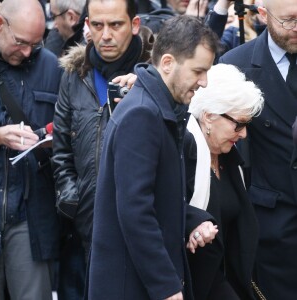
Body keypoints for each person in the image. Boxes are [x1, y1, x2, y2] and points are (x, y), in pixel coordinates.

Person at [87, 15, 220, 300]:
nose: (205, 81)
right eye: (198, 71)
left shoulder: (158, 108)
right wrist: (166, 287)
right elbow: (135, 211)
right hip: (131, 286)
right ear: (168, 63)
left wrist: (192, 220)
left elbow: (159, 195)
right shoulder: (142, 114)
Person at [52, 0, 154, 298]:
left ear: (134, 25)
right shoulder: (74, 75)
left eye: (115, 25)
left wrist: (147, 88)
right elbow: (62, 151)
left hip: (143, 219)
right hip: (89, 222)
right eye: (97, 25)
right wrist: (74, 198)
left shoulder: (155, 73)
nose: (105, 35)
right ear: (87, 27)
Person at [219, 0, 297, 298]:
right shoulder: (235, 66)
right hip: (272, 229)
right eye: (288, 20)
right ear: (263, 15)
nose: (296, 28)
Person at [0, 0, 62, 299]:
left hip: (31, 218)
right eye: (21, 42)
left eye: (35, 44)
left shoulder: (51, 65)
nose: (26, 52)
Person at [185, 63, 264, 300]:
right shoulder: (182, 154)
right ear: (209, 116)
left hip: (225, 283)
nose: (243, 134)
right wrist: (192, 223)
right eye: (238, 124)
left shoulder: (231, 162)